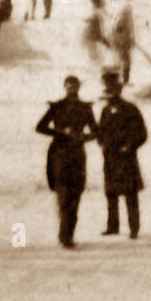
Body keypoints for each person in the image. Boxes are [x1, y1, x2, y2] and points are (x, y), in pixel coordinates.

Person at [36, 76, 98, 248]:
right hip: (59, 154)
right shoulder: (57, 107)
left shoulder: (85, 108)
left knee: (75, 194)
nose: (72, 89)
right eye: (69, 86)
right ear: (64, 87)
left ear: (79, 87)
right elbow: (40, 127)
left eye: (75, 86)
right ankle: (65, 236)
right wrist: (61, 132)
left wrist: (83, 137)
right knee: (63, 195)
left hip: (77, 154)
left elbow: (96, 131)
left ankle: (68, 234)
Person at [97, 68, 147, 238]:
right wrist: (101, 143)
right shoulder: (105, 111)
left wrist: (129, 146)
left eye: (112, 92)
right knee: (111, 193)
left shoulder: (130, 109)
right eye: (107, 93)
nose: (109, 97)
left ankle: (134, 228)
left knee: (130, 193)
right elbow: (100, 131)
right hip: (110, 157)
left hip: (126, 157)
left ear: (118, 92)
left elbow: (142, 133)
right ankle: (113, 226)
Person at [106, 0, 136, 84]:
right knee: (125, 59)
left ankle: (120, 79)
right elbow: (121, 22)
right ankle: (124, 80)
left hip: (118, 34)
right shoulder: (127, 5)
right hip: (121, 35)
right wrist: (130, 35)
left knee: (121, 58)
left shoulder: (119, 3)